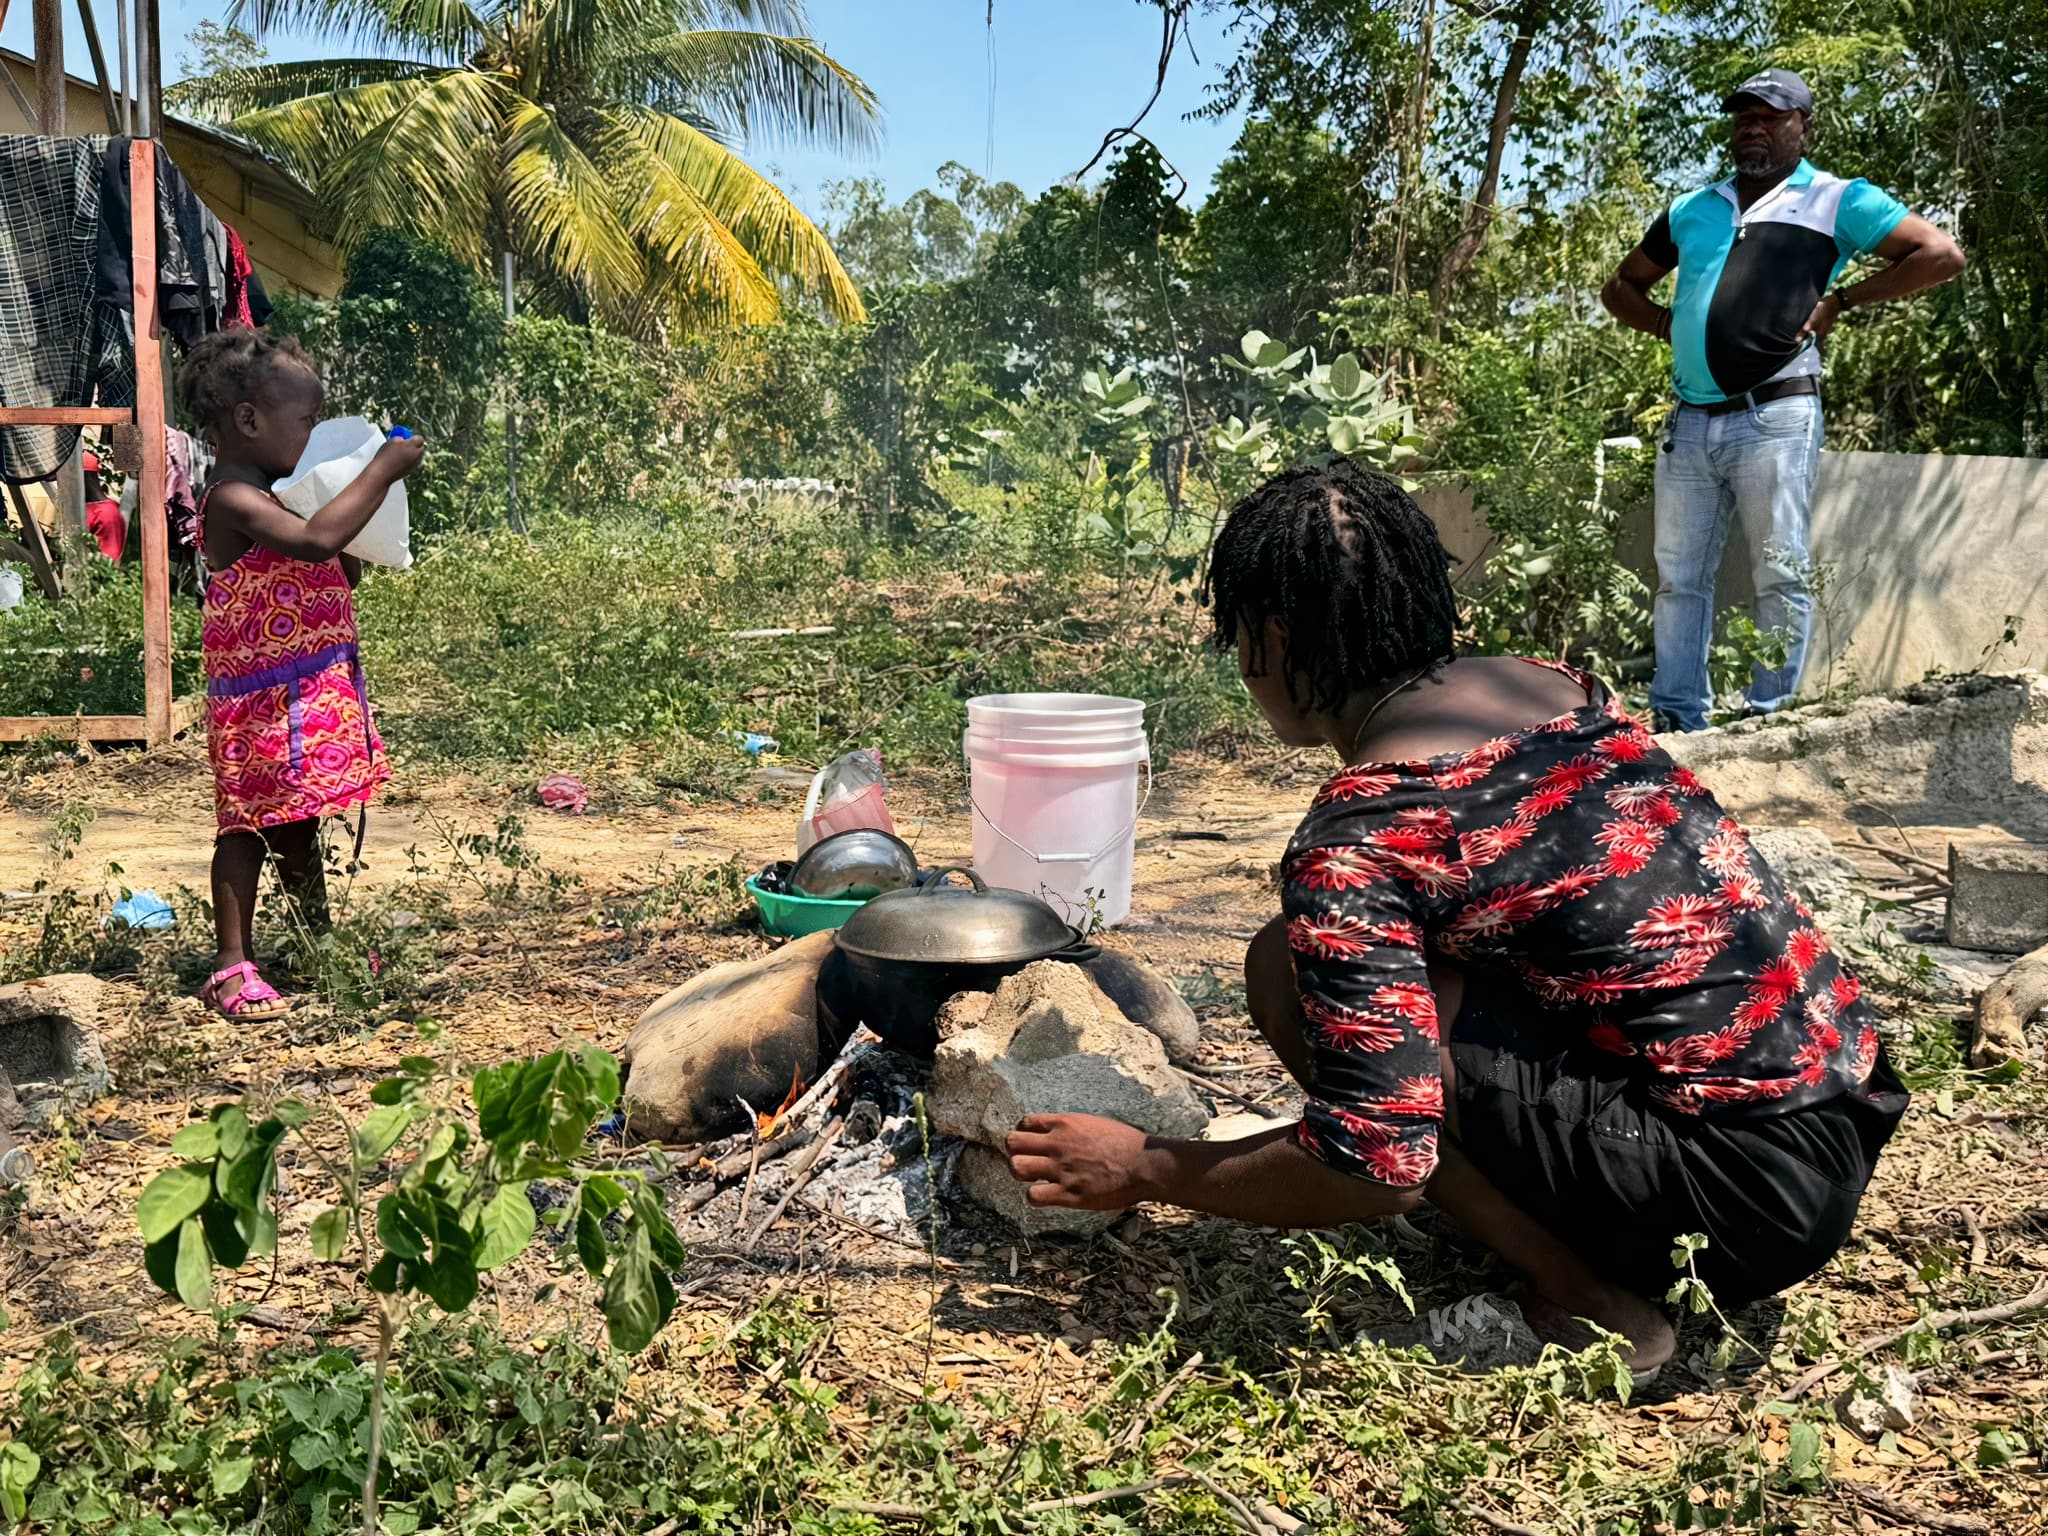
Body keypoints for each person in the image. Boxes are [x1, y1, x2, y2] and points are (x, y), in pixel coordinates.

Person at [1003, 461, 1909, 1373]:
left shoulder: (1363, 832)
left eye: (1241, 638)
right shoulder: (1549, 689)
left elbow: (1375, 1164)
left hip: (1740, 1199)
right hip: (1841, 1110)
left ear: (1272, 639)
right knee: (1325, 965)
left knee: (1287, 975)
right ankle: (1572, 1220)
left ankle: (1598, 1309)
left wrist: (1148, 1167)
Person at [1600, 68, 1964, 733]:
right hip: (1689, 421)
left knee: (1780, 572)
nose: (1754, 127)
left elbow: (1939, 255)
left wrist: (1843, 300)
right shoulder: (1693, 209)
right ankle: (1680, 719)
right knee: (1679, 579)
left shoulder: (1836, 199)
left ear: (1804, 125)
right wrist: (1665, 325)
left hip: (1775, 415)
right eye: (1744, 116)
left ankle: (1770, 717)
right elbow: (1621, 285)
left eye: (1771, 116)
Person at [178, 330, 423, 1018]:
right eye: (307, 420)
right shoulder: (230, 499)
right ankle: (230, 966)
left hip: (302, 689)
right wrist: (381, 469)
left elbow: (336, 561)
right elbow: (316, 543)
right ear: (250, 421)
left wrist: (350, 515)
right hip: (259, 704)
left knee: (298, 823)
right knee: (248, 828)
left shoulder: (285, 494)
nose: (314, 433)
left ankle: (320, 943)